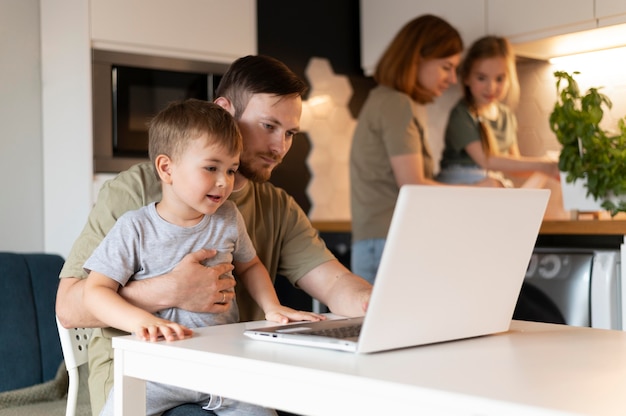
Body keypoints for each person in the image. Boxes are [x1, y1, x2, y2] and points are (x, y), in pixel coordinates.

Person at [56, 55, 373, 416]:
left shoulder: (268, 206)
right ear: (225, 110)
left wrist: (375, 306)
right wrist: (172, 290)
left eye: (289, 133)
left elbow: (334, 284)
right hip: (140, 372)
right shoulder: (134, 194)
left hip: (227, 366)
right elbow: (69, 308)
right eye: (268, 126)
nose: (280, 147)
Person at [84, 99, 325, 416]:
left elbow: (250, 265)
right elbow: (95, 291)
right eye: (211, 168)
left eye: (231, 169)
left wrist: (272, 307)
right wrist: (141, 321)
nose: (224, 181)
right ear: (166, 168)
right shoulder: (134, 228)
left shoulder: (227, 217)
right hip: (156, 371)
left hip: (222, 366)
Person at [349, 15, 499, 284]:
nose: (452, 79)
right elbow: (413, 185)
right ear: (417, 58)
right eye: (446, 67)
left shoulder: (385, 99)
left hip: (381, 241)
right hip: (386, 241)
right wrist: (479, 190)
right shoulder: (396, 103)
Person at [436, 35, 559, 186]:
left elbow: (515, 166)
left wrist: (549, 168)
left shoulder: (506, 116)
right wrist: (542, 165)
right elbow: (487, 160)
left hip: (488, 183)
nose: (491, 87)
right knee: (494, 185)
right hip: (456, 183)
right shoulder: (462, 115)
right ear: (466, 77)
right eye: (482, 78)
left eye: (499, 79)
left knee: (501, 188)